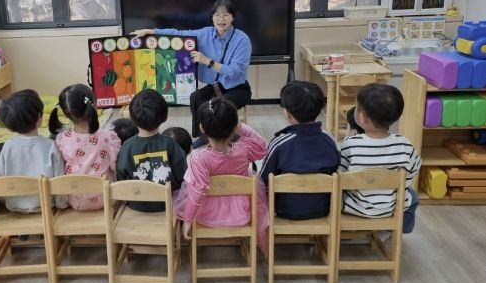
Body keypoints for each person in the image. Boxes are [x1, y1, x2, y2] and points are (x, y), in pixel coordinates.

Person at [131, 0, 252, 148]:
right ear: (212, 17)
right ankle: (202, 135)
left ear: (233, 17)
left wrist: (207, 61)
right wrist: (151, 31)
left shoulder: (242, 40)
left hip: (238, 88)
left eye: (226, 15)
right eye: (217, 15)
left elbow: (234, 72)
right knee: (196, 98)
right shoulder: (205, 33)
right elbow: (179, 34)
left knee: (217, 107)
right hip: (217, 86)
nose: (221, 19)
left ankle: (222, 138)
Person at [173, 98, 268, 249]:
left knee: (190, 185)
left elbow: (198, 192)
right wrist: (241, 127)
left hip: (207, 215)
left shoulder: (199, 158)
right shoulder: (244, 150)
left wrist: (188, 220)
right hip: (242, 213)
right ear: (235, 127)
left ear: (202, 128)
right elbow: (262, 147)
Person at [340, 84, 421, 233]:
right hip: (392, 208)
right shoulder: (405, 144)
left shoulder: (350, 144)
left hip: (355, 207)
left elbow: (340, 175)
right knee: (412, 195)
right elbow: (413, 170)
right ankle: (395, 230)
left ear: (361, 117)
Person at [259, 81, 340, 220]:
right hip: (323, 210)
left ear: (287, 113)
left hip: (283, 210)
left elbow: (263, 180)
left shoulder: (279, 144)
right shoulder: (329, 140)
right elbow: (337, 170)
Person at [49, 84, 121, 210]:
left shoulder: (61, 139)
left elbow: (59, 170)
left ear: (66, 114)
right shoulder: (109, 137)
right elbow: (116, 167)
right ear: (94, 105)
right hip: (105, 198)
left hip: (75, 200)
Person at [116, 89, 187, 212]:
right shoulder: (171, 144)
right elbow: (183, 176)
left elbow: (122, 180)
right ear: (165, 117)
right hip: (167, 205)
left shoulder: (127, 147)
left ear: (131, 117)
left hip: (136, 206)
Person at [0, 89, 65, 212]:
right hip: (45, 206)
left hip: (13, 206)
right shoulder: (50, 146)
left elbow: (2, 178)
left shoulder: (7, 146)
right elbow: (59, 180)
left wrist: (4, 201)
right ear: (39, 118)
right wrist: (61, 204)